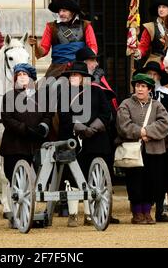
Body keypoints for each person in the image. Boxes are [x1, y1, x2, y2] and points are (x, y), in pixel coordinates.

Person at [58, 61, 112, 227]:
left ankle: (90, 215)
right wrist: (81, 128)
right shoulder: (64, 94)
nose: (73, 77)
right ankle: (73, 214)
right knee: (73, 178)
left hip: (96, 139)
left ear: (83, 77)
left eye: (75, 75)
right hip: (74, 140)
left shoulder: (97, 91)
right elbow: (64, 117)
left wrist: (92, 128)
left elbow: (106, 113)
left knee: (93, 178)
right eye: (71, 75)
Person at [0, 63, 52, 224]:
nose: (21, 77)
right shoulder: (9, 96)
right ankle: (15, 215)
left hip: (36, 145)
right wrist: (25, 129)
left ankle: (30, 212)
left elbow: (48, 115)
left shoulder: (41, 96)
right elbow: (7, 119)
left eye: (24, 74)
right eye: (18, 75)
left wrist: (42, 127)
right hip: (14, 145)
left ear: (31, 78)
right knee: (14, 181)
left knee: (37, 179)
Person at [116, 73, 168, 224]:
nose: (140, 89)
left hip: (154, 150)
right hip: (134, 150)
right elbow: (123, 125)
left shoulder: (158, 105)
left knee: (152, 182)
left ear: (149, 89)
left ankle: (147, 211)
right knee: (135, 182)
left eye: (143, 86)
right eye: (137, 86)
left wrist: (148, 132)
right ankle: (137, 212)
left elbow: (164, 123)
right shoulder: (126, 104)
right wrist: (141, 132)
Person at [75, 47, 120, 224]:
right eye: (92, 60)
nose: (96, 63)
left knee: (104, 176)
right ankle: (83, 211)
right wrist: (81, 129)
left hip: (100, 135)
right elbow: (67, 113)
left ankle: (104, 211)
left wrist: (93, 128)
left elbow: (108, 110)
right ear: (84, 64)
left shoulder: (98, 86)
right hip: (79, 138)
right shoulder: (69, 87)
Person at [136, 61, 168, 222]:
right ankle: (142, 210)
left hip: (163, 141)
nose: (152, 77)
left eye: (155, 75)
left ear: (159, 77)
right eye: (149, 74)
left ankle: (161, 210)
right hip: (143, 141)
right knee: (143, 176)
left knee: (162, 176)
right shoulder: (139, 96)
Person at [28, 0, 98, 78]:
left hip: (80, 69)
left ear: (72, 12)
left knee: (95, 88)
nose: (61, 13)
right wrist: (35, 45)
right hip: (57, 70)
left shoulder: (86, 25)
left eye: (64, 11)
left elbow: (93, 49)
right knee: (42, 90)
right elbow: (42, 52)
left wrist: (89, 64)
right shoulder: (51, 27)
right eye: (59, 11)